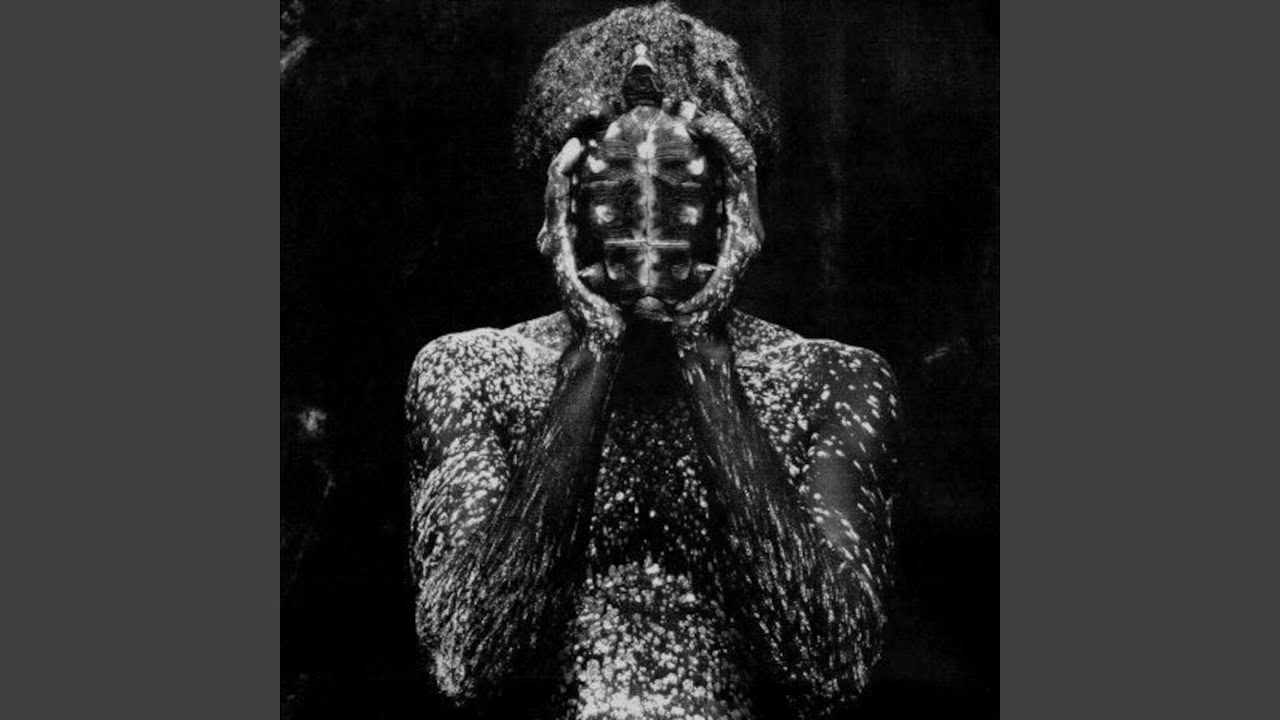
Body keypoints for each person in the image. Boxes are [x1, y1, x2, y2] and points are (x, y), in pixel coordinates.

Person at [406, 5, 901, 718]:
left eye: (678, 183)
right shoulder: (475, 373)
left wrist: (705, 350)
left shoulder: (827, 382)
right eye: (615, 185)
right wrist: (596, 347)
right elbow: (472, 662)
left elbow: (827, 667)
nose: (646, 220)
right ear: (562, 201)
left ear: (735, 201)